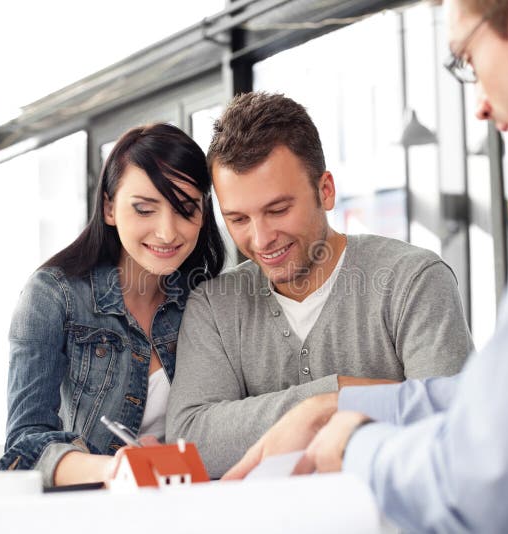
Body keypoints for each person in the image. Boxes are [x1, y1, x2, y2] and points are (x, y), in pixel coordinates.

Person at [225, 1, 508, 532]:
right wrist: (336, 406)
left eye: (468, 58)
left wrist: (360, 445)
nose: (477, 104)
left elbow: (494, 480)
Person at [166, 92, 474, 478]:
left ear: (325, 190)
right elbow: (191, 439)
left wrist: (320, 411)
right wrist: (339, 394)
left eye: (278, 210)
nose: (261, 240)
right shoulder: (214, 306)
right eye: (239, 219)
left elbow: (450, 427)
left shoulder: (413, 281)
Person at [0, 123, 225, 487]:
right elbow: (23, 446)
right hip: (92, 510)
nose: (167, 232)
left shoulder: (207, 301)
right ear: (108, 207)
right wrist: (117, 469)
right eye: (145, 210)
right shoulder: (52, 296)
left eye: (185, 209)